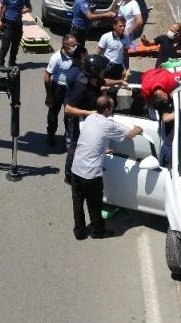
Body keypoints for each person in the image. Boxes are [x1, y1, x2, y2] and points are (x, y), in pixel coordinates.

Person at [70, 96, 142, 240]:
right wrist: (139, 128)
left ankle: (79, 231)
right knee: (94, 204)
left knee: (77, 202)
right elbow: (129, 135)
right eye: (113, 107)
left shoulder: (90, 118)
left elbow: (93, 139)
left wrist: (102, 150)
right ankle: (97, 231)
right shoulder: (108, 124)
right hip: (91, 174)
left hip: (76, 169)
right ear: (107, 109)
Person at [64, 54, 128, 184]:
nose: (103, 73)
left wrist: (119, 82)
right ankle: (69, 175)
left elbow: (104, 81)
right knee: (75, 147)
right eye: (102, 70)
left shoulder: (94, 80)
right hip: (81, 122)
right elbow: (68, 109)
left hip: (92, 120)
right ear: (94, 71)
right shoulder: (81, 87)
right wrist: (88, 113)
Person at [44, 34, 79, 147]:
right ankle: (51, 134)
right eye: (73, 45)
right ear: (65, 45)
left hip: (71, 89)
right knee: (53, 114)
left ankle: (67, 137)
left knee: (69, 115)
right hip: (58, 88)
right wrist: (49, 95)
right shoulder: (56, 58)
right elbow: (47, 77)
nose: (75, 47)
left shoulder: (76, 55)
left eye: (76, 44)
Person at [0, 0, 31, 68]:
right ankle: (0, 63)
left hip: (18, 24)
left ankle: (12, 62)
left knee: (15, 45)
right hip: (8, 24)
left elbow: (30, 8)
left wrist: (27, 10)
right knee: (6, 45)